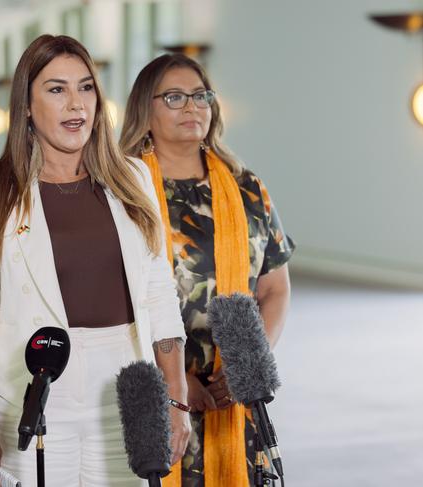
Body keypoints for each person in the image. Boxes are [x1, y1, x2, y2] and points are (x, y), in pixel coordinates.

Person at [0, 35, 191, 487]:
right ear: (25, 104)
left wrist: (176, 399)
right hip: (34, 394)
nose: (75, 104)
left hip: (126, 389)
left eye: (85, 88)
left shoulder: (134, 177)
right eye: (56, 89)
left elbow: (160, 293)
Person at [120, 54, 295, 487]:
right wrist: (175, 380)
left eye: (201, 96)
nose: (192, 107)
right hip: (152, 393)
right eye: (175, 97)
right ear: (145, 109)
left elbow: (275, 289)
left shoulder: (246, 187)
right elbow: (113, 300)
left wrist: (245, 368)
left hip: (231, 395)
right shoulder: (121, 190)